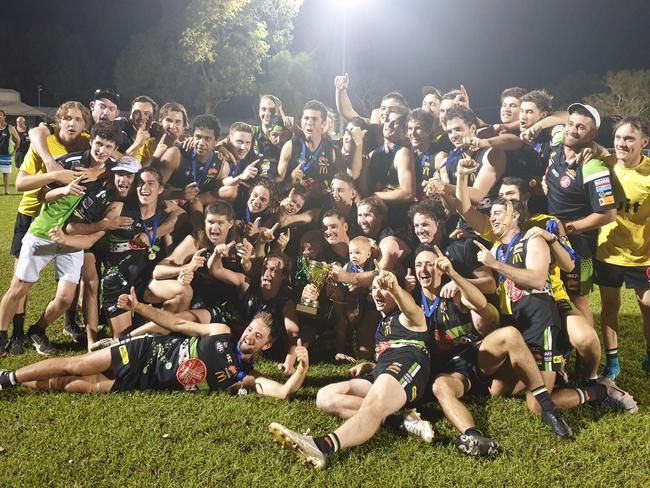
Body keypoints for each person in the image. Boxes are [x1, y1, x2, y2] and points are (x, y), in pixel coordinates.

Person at [0, 290, 310, 400]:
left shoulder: (243, 376)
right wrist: (139, 308)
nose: (250, 337)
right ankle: (8, 378)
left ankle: (18, 382)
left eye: (258, 337)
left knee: (68, 385)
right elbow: (175, 323)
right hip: (142, 352)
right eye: (251, 330)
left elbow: (282, 392)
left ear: (266, 347)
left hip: (142, 381)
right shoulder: (219, 331)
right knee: (75, 365)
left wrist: (302, 369)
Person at [413, 246, 573, 455]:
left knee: (510, 335)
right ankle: (473, 436)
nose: (424, 269)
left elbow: (479, 303)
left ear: (440, 268)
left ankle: (550, 406)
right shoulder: (413, 301)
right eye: (418, 265)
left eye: (429, 264)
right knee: (440, 387)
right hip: (452, 372)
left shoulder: (453, 292)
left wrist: (455, 276)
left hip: (478, 357)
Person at [269, 267, 430, 469]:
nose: (378, 293)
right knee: (325, 397)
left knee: (374, 404)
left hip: (408, 367)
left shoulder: (408, 316)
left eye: (383, 289)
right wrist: (371, 365)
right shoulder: (383, 323)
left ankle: (321, 446)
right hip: (382, 372)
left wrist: (396, 289)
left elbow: (411, 309)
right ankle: (398, 421)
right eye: (373, 289)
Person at [0, 121, 121, 356]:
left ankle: (37, 330)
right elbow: (44, 196)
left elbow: (131, 166)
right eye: (98, 143)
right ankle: (1, 335)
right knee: (19, 288)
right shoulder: (70, 162)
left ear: (113, 148)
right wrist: (63, 190)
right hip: (43, 235)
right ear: (91, 141)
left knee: (66, 298)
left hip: (71, 242)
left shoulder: (111, 176)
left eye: (108, 146)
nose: (102, 150)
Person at [544, 103, 617, 326]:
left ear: (592, 134)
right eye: (570, 124)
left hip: (580, 245)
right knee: (552, 293)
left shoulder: (593, 165)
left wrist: (569, 228)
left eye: (581, 128)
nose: (572, 130)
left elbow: (608, 215)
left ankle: (587, 357)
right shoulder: (556, 144)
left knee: (578, 299)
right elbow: (555, 118)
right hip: (551, 238)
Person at [595, 116, 650, 378]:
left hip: (643, 255)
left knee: (648, 307)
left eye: (629, 138)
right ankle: (612, 362)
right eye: (618, 137)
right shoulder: (604, 167)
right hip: (608, 251)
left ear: (644, 142)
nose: (622, 143)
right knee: (609, 306)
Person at [0, 109, 20, 194]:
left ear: (4, 117)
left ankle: (7, 191)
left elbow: (18, 139)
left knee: (6, 173)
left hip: (6, 154)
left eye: (0, 115)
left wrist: (15, 150)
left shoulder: (10, 127)